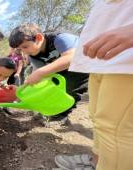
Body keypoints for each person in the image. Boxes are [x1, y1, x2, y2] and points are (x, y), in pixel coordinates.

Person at [54, 0, 133, 170]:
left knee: (116, 131)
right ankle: (96, 162)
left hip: (126, 61)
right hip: (100, 62)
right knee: (99, 120)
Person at [8, 23, 89, 126]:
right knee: (49, 89)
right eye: (20, 49)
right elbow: (39, 73)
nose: (24, 52)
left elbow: (71, 58)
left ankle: (61, 116)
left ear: (38, 38)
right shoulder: (34, 55)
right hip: (59, 70)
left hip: (80, 68)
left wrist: (40, 73)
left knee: (70, 89)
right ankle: (49, 112)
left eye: (25, 47)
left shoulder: (60, 38)